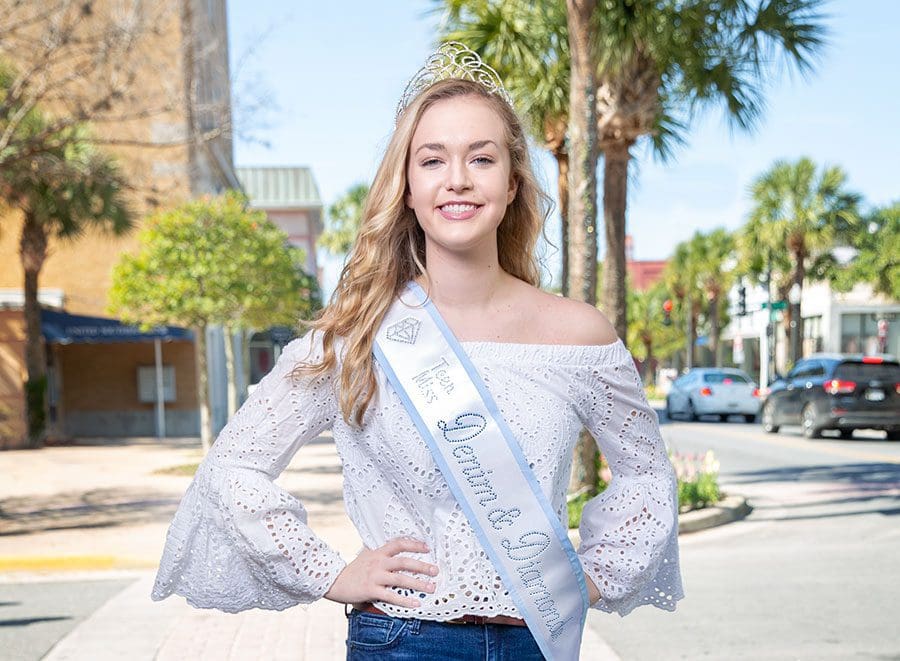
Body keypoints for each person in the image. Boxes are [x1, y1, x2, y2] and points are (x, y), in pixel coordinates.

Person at [151, 43, 683, 660]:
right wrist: (330, 573)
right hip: (399, 639)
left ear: (513, 185)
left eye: (481, 158)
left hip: (535, 637)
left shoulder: (578, 335)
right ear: (406, 186)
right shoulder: (359, 335)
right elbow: (231, 469)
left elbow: (647, 474)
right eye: (432, 160)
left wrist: (595, 575)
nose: (457, 179)